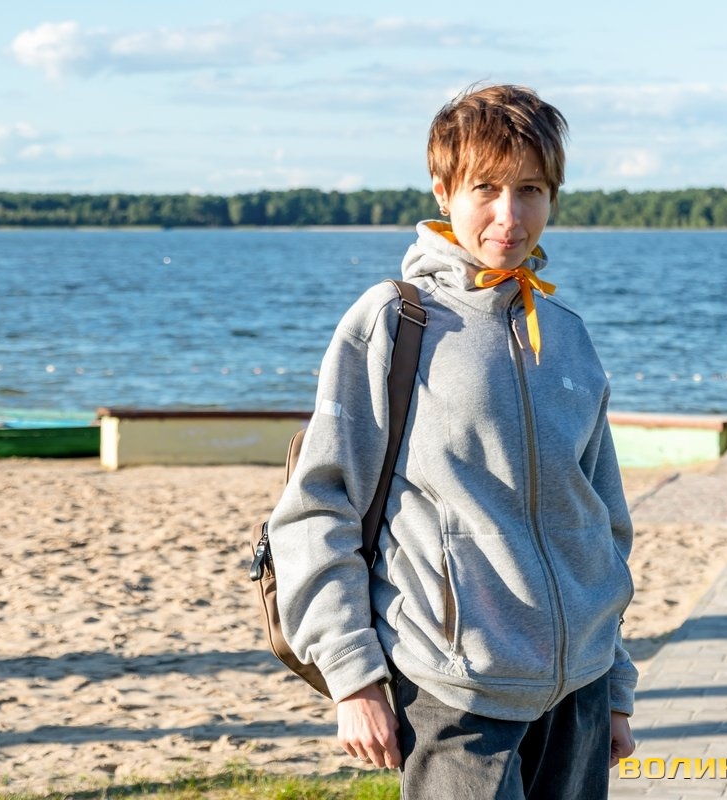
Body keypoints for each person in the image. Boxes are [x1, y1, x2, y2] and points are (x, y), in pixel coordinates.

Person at [268, 83, 637, 799]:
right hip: (455, 689)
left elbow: (603, 525)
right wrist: (353, 678)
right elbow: (319, 504)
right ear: (443, 192)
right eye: (486, 188)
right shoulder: (393, 321)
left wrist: (614, 683)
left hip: (580, 691)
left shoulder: (566, 335)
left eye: (530, 190)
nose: (510, 215)